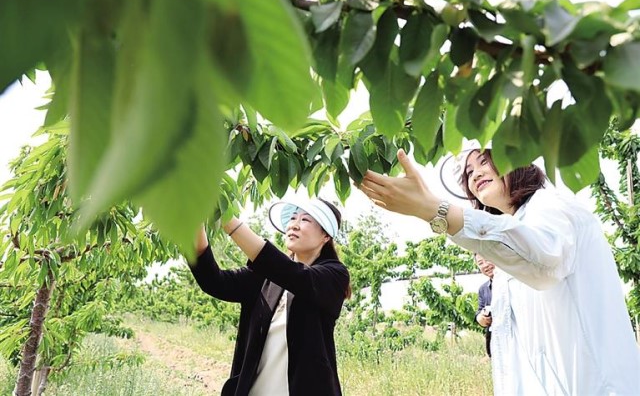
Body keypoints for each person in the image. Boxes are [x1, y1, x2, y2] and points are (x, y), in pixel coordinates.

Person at [360, 148, 640, 395]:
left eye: (484, 162)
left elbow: (544, 261)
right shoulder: (516, 230)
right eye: (469, 172)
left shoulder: (549, 204)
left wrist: (436, 211)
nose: (475, 174)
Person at [190, 197, 350, 396]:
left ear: (326, 236)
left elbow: (293, 275)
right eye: (293, 218)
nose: (294, 225)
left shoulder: (333, 275)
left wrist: (225, 216)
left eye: (305, 220)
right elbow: (215, 282)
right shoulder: (265, 277)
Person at [474, 253, 494, 357]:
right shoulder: (483, 289)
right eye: (480, 263)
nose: (485, 265)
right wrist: (480, 318)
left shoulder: (514, 283)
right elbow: (480, 310)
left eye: (488, 259)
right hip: (493, 340)